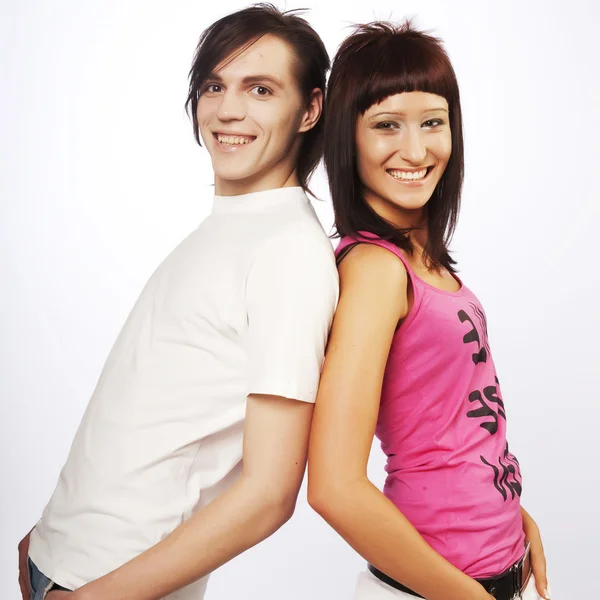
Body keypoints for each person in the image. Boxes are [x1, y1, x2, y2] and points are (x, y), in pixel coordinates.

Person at [18, 5, 338, 600]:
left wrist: (91, 596)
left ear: (310, 110)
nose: (228, 110)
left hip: (113, 586)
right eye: (214, 86)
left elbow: (269, 494)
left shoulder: (288, 253)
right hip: (64, 563)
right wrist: (50, 538)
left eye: (260, 89)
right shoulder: (233, 226)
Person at [307, 21, 550, 600]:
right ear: (348, 137)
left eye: (432, 123)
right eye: (386, 125)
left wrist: (514, 518)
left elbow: (452, 430)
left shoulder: (422, 261)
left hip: (486, 574)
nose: (415, 151)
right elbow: (334, 487)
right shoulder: (374, 270)